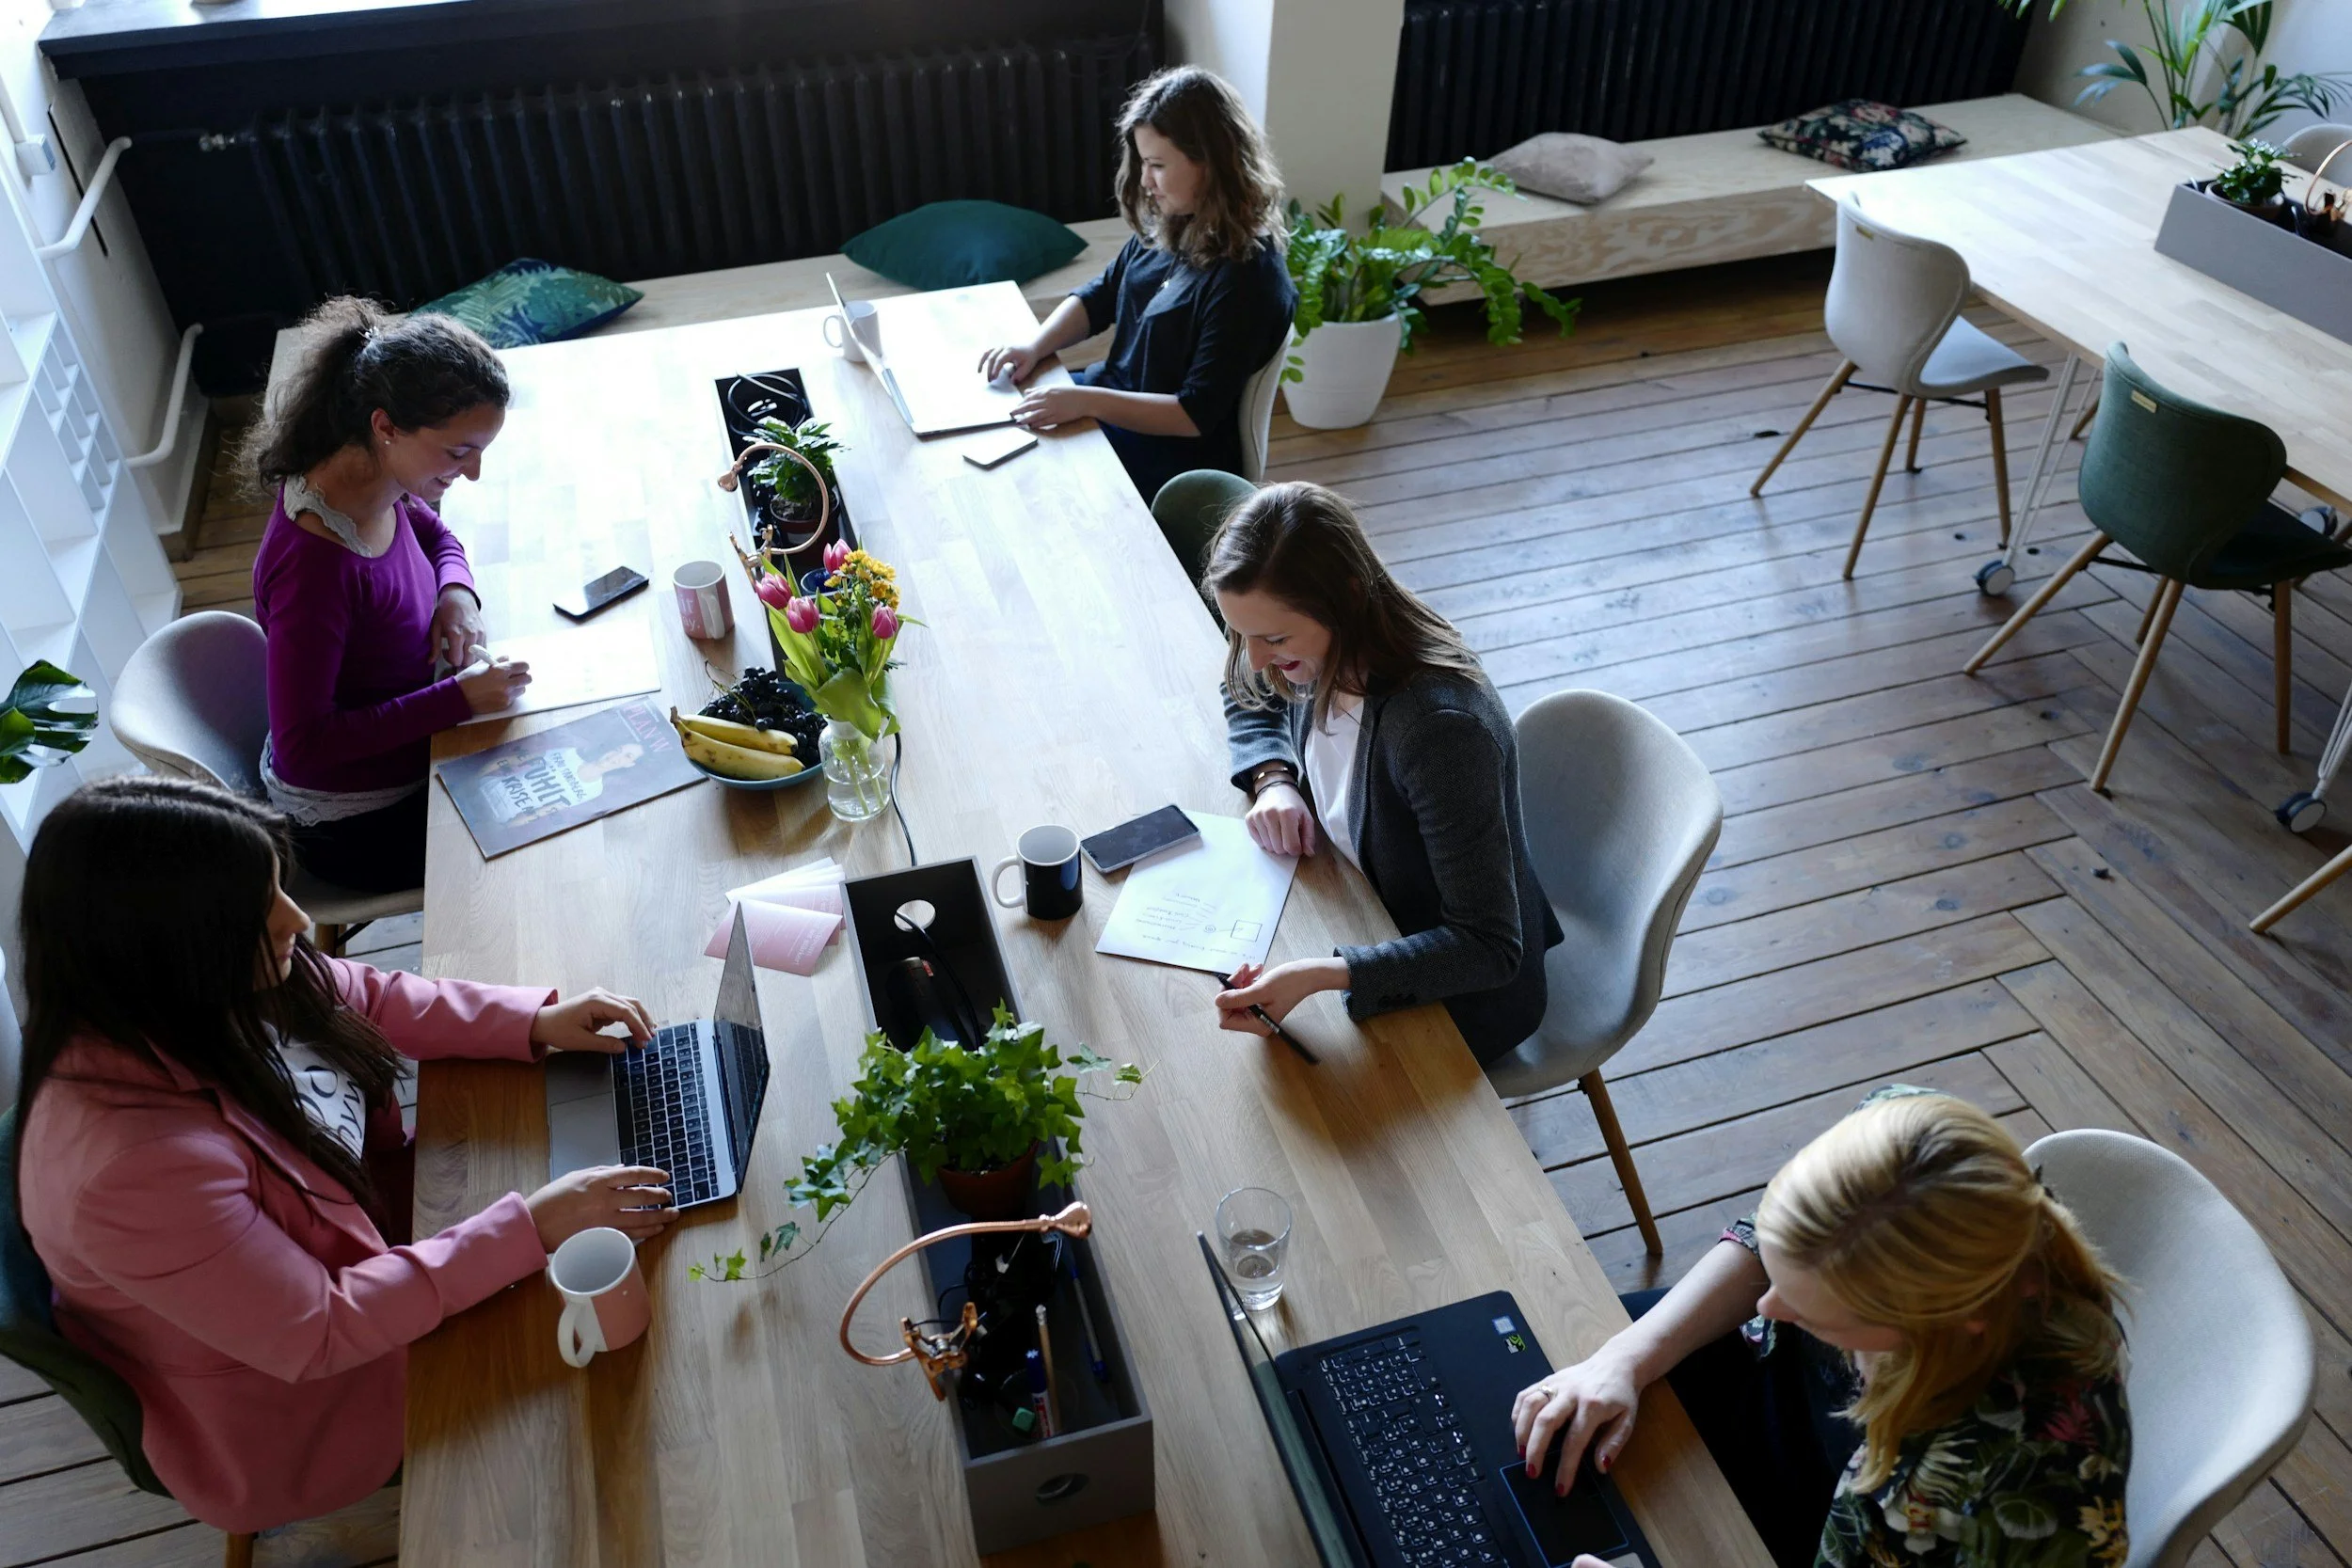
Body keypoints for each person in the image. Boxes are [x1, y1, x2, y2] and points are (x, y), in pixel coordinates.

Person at [11, 777, 676, 1534]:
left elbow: (367, 994)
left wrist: (534, 1021)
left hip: (384, 1232)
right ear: (168, 946)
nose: (299, 918)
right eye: (261, 909)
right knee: (632, 1413)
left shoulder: (190, 985)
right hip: (306, 1400)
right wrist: (531, 1225)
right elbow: (319, 1327)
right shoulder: (126, 1173)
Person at [1513, 1087, 2130, 1568]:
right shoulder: (1905, 1133)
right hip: (1767, 1392)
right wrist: (1626, 1356)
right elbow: (1770, 1244)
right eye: (1780, 1273)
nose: (1771, 1305)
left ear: (1924, 1323)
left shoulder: (2003, 1487)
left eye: (1813, 1307)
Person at [1207, 482, 1563, 1064]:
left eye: (1273, 638)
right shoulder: (1322, 642)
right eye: (1241, 633)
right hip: (1356, 904)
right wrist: (1273, 778)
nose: (1255, 658)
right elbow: (1245, 686)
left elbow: (1488, 948)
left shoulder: (1438, 732)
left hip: (1458, 994)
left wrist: (1324, 974)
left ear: (1346, 598)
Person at [247, 297, 532, 895]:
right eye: (459, 452)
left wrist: (457, 592)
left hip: (417, 739)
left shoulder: (370, 474)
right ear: (386, 426)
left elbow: (432, 531)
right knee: (541, 840)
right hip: (359, 823)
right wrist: (456, 700)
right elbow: (307, 746)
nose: (473, 472)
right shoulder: (314, 567)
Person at [977, 66, 1295, 502]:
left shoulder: (1248, 279)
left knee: (1030, 476)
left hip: (1172, 456)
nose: (1145, 181)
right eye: (1144, 163)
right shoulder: (1174, 222)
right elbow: (1102, 295)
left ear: (1210, 162)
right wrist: (1035, 347)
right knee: (997, 417)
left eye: (1158, 165)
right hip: (1113, 402)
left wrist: (1086, 401)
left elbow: (1193, 415)